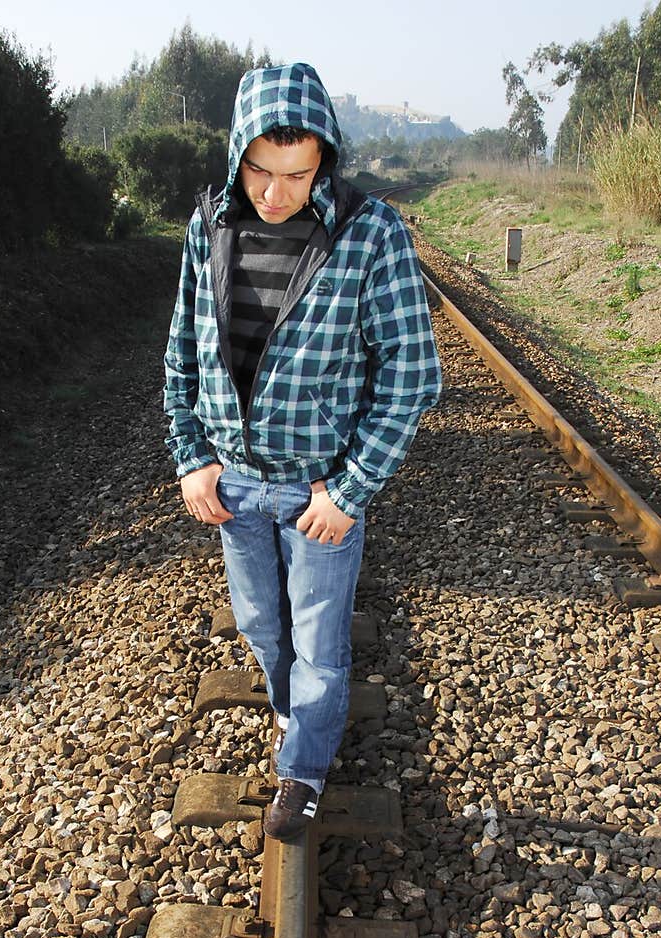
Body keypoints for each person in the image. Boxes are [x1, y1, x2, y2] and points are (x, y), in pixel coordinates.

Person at [164, 61, 441, 842]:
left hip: (319, 489)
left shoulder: (369, 233)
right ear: (236, 154)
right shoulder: (207, 225)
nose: (276, 192)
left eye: (298, 173)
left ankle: (305, 771)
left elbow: (414, 375)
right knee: (260, 624)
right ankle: (291, 712)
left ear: (325, 158)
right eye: (261, 170)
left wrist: (350, 490)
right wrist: (192, 454)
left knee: (321, 635)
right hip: (235, 486)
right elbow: (181, 352)